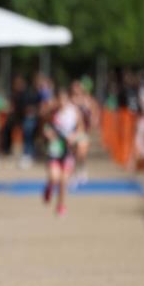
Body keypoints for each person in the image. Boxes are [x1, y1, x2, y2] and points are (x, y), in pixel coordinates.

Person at [42, 88, 82, 217]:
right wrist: (48, 134)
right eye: (59, 100)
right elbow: (44, 126)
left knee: (64, 180)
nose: (62, 103)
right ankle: (49, 187)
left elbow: (80, 129)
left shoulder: (73, 112)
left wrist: (74, 137)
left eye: (64, 100)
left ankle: (60, 205)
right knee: (54, 178)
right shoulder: (52, 112)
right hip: (55, 149)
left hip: (68, 150)